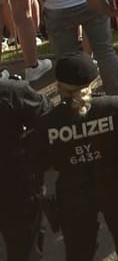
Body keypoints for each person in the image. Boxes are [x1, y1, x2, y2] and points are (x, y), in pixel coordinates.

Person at [31, 54, 118, 261]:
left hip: (73, 193)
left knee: (79, 252)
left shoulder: (47, 123)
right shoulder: (116, 106)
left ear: (59, 86)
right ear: (93, 82)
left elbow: (38, 162)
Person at [0, 63, 48, 261]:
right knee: (24, 248)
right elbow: (47, 119)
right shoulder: (12, 91)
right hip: (16, 184)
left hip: (16, 182)